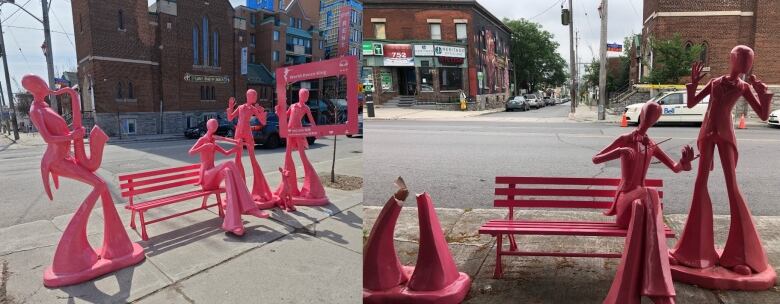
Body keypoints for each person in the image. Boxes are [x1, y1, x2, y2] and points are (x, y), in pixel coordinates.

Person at [25, 74, 144, 287]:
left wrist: (73, 135)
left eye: (45, 86)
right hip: (56, 161)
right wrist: (73, 136)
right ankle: (79, 250)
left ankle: (115, 245)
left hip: (66, 156)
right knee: (100, 185)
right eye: (43, 87)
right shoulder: (35, 111)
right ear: (35, 89)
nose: (48, 89)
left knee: (101, 185)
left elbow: (58, 131)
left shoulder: (45, 107)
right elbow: (48, 139)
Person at [671, 45, 773, 276]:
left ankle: (743, 254)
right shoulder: (716, 82)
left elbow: (764, 114)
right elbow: (691, 102)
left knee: (732, 187)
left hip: (726, 136)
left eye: (749, 61)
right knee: (700, 184)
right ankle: (692, 252)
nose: (746, 65)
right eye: (742, 59)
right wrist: (693, 84)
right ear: (732, 60)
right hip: (707, 134)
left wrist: (763, 94)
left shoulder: (744, 86)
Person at [593, 101, 694, 304]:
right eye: (648, 114)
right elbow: (596, 159)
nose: (650, 119)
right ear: (641, 114)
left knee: (648, 197)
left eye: (654, 116)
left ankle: (653, 284)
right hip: (625, 202)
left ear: (657, 120)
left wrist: (685, 162)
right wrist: (619, 152)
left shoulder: (652, 145)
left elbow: (676, 168)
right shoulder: (625, 139)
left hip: (641, 209)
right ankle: (659, 284)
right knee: (651, 194)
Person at [189, 119, 268, 236]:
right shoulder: (203, 140)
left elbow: (226, 153)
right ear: (208, 127)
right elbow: (191, 152)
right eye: (212, 126)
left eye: (215, 126)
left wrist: (238, 147)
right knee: (229, 164)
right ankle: (251, 207)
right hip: (206, 177)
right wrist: (204, 146)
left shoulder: (213, 142)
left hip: (213, 177)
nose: (214, 128)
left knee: (228, 172)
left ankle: (234, 223)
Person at [275, 88, 328, 204]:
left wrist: (316, 131)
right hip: (290, 131)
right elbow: (286, 116)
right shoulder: (293, 106)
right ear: (299, 95)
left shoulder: (306, 108)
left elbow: (312, 121)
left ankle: (311, 184)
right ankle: (289, 186)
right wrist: (279, 113)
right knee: (288, 155)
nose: (305, 97)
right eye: (303, 95)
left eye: (307, 96)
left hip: (299, 131)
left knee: (302, 155)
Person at [226, 89, 276, 203]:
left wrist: (263, 113)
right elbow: (230, 118)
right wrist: (230, 107)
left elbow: (263, 122)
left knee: (252, 158)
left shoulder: (253, 109)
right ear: (248, 96)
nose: (255, 97)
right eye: (254, 95)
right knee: (237, 158)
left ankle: (258, 186)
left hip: (248, 132)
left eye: (256, 95)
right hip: (239, 132)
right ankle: (239, 185)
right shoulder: (241, 107)